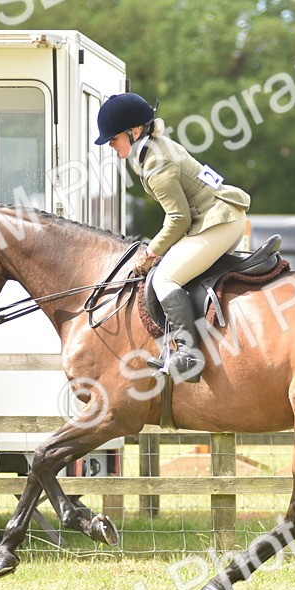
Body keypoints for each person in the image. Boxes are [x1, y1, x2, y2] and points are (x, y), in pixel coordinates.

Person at [94, 92, 251, 382]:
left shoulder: (157, 163)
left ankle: (188, 356)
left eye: (114, 138)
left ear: (135, 131)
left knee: (165, 277)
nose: (112, 145)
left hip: (218, 222)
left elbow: (179, 219)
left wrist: (151, 252)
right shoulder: (150, 151)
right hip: (214, 218)